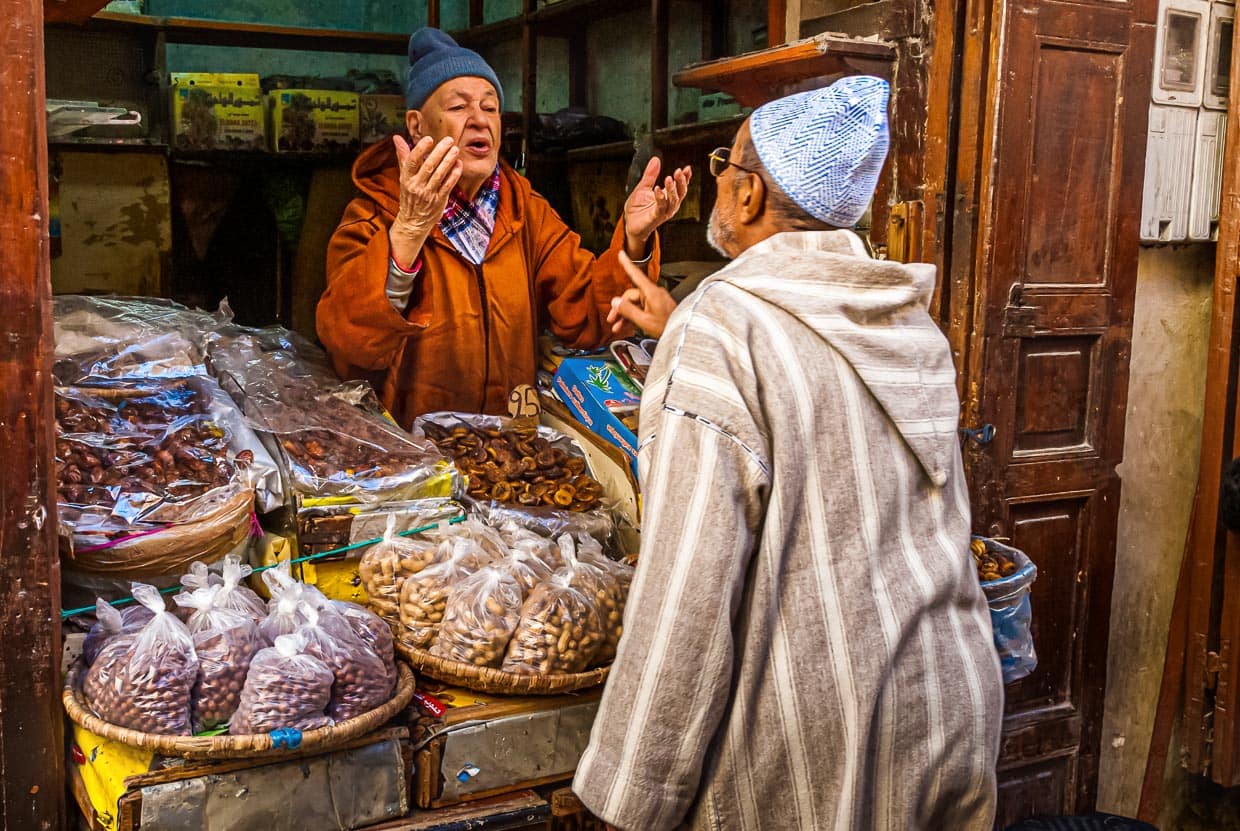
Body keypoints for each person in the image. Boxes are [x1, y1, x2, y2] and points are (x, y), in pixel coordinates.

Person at [574, 77, 1004, 831]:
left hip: (819, 736)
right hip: (948, 701)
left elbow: (690, 588)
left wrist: (630, 795)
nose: (718, 185)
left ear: (749, 193)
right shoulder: (906, 320)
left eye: (725, 166)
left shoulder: (721, 326)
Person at [316, 28, 691, 424]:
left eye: (490, 107)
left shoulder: (524, 210)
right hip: (414, 454)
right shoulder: (375, 212)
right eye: (459, 108)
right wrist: (410, 228)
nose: (479, 120)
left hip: (506, 454)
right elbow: (349, 347)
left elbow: (589, 316)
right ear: (417, 125)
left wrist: (635, 238)